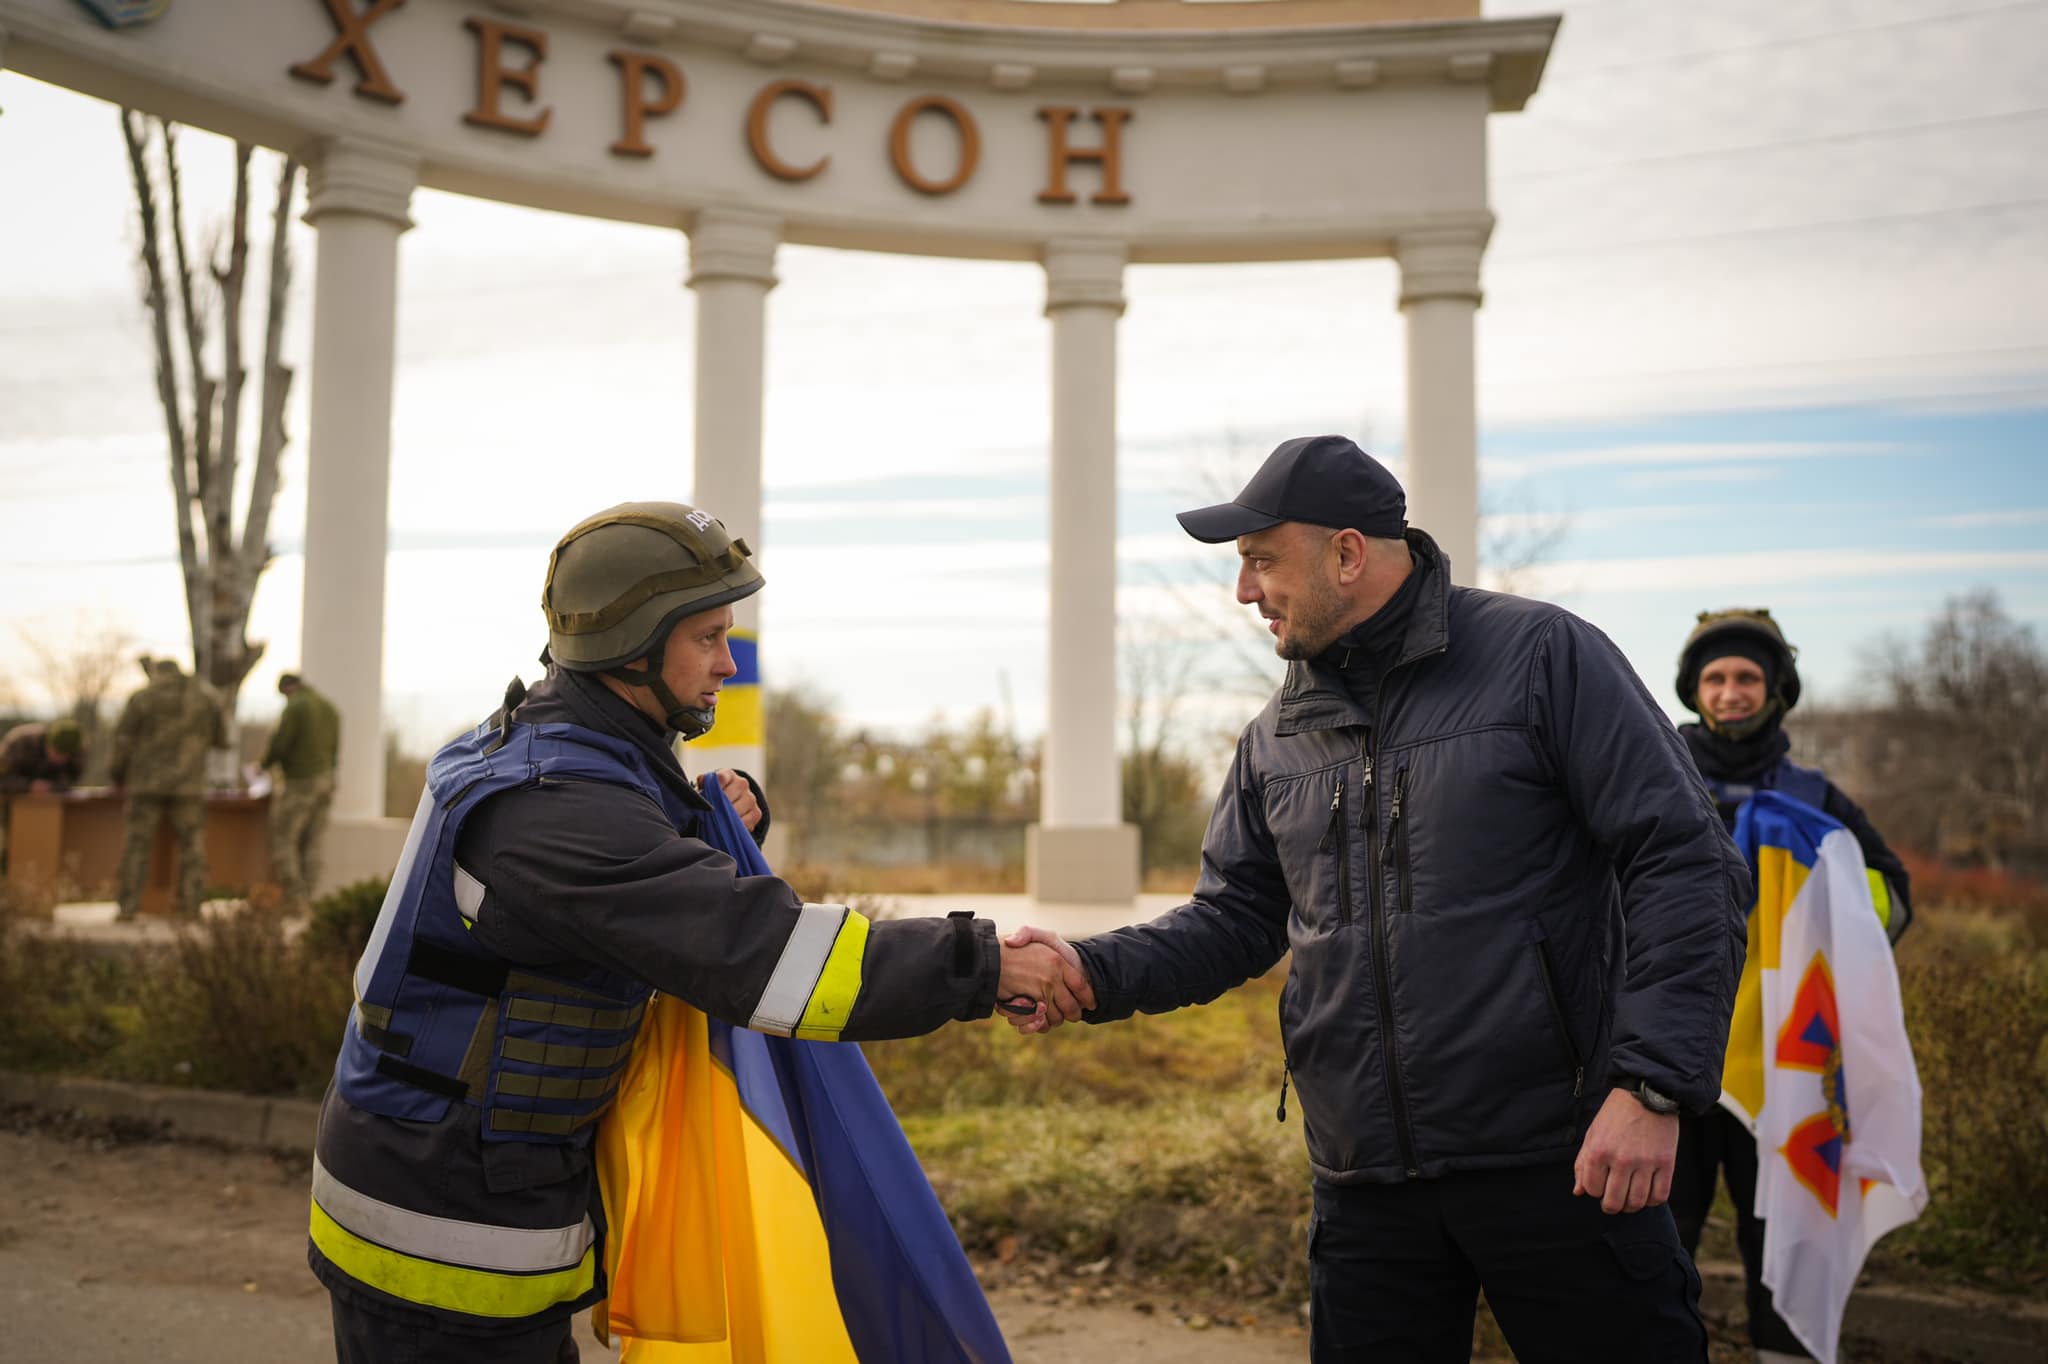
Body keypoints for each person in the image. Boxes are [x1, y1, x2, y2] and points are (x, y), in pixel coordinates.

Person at [1007, 435, 1752, 1364]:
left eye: (1260, 561)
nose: (1245, 592)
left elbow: (1685, 861)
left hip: (1564, 1163)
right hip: (1364, 1185)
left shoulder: (1543, 659)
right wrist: (1088, 967)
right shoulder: (1276, 735)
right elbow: (1236, 917)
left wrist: (1654, 1087)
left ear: (1348, 553)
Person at [308, 501, 1092, 1364]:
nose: (729, 661)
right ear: (629, 644)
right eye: (709, 637)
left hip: (449, 1176)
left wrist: (713, 814)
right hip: (441, 1232)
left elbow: (624, 855)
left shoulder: (538, 744)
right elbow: (766, 955)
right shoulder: (559, 813)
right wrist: (985, 964)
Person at [1668, 608, 1913, 1364]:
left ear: (1777, 691)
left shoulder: (1816, 800)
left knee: (1782, 1235)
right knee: (1653, 1239)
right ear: (1693, 691)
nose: (1731, 690)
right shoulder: (1655, 775)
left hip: (1785, 1065)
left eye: (1747, 677)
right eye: (1715, 677)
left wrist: (1825, 898)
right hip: (1666, 1056)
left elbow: (1893, 898)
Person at [109, 659, 227, 920]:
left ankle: (127, 908)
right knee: (192, 846)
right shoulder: (204, 698)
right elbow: (222, 739)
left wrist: (116, 774)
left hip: (146, 784)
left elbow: (123, 739)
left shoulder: (143, 698)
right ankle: (191, 908)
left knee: (137, 846)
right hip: (189, 785)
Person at [261, 671, 341, 912]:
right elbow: (335, 749)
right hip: (326, 781)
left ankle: (295, 902)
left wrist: (262, 765)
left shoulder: (296, 707)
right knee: (313, 842)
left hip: (300, 782)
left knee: (284, 840)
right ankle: (310, 899)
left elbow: (280, 745)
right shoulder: (330, 708)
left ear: (286, 689)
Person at [0, 717, 85, 871]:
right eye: (56, 752)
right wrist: (28, 786)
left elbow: (71, 782)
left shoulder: (77, 752)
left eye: (65, 756)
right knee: (10, 846)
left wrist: (53, 787)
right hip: (13, 804)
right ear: (47, 742)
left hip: (49, 811)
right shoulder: (19, 743)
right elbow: (3, 779)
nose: (60, 759)